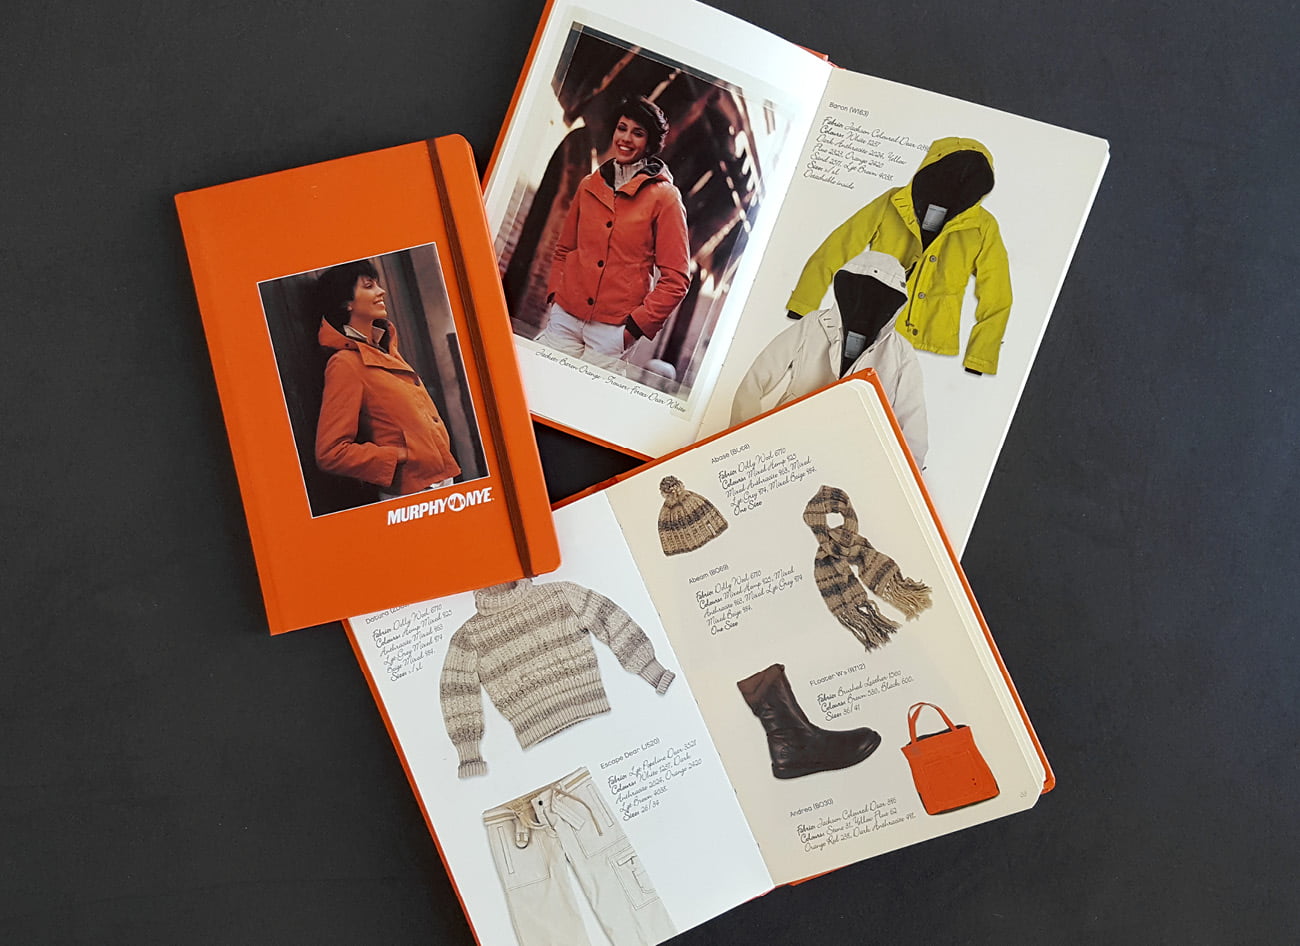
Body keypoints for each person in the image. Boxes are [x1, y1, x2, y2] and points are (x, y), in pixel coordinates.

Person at [536, 96, 690, 370]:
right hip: (565, 317)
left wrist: (633, 329)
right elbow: (565, 248)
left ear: (650, 144)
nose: (626, 138)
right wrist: (556, 295)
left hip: (612, 331)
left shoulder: (665, 198)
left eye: (638, 133)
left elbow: (676, 279)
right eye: (622, 128)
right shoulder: (589, 185)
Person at [733, 250, 928, 466]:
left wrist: (908, 473)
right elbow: (759, 374)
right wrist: (743, 439)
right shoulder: (814, 324)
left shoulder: (901, 353)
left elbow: (912, 422)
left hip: (850, 456)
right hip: (789, 440)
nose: (868, 302)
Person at [313, 260, 460, 500]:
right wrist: (401, 455)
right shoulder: (345, 364)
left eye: (378, 284)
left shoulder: (385, 348)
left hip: (441, 480)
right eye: (369, 286)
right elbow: (331, 453)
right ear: (346, 302)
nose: (381, 291)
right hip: (411, 493)